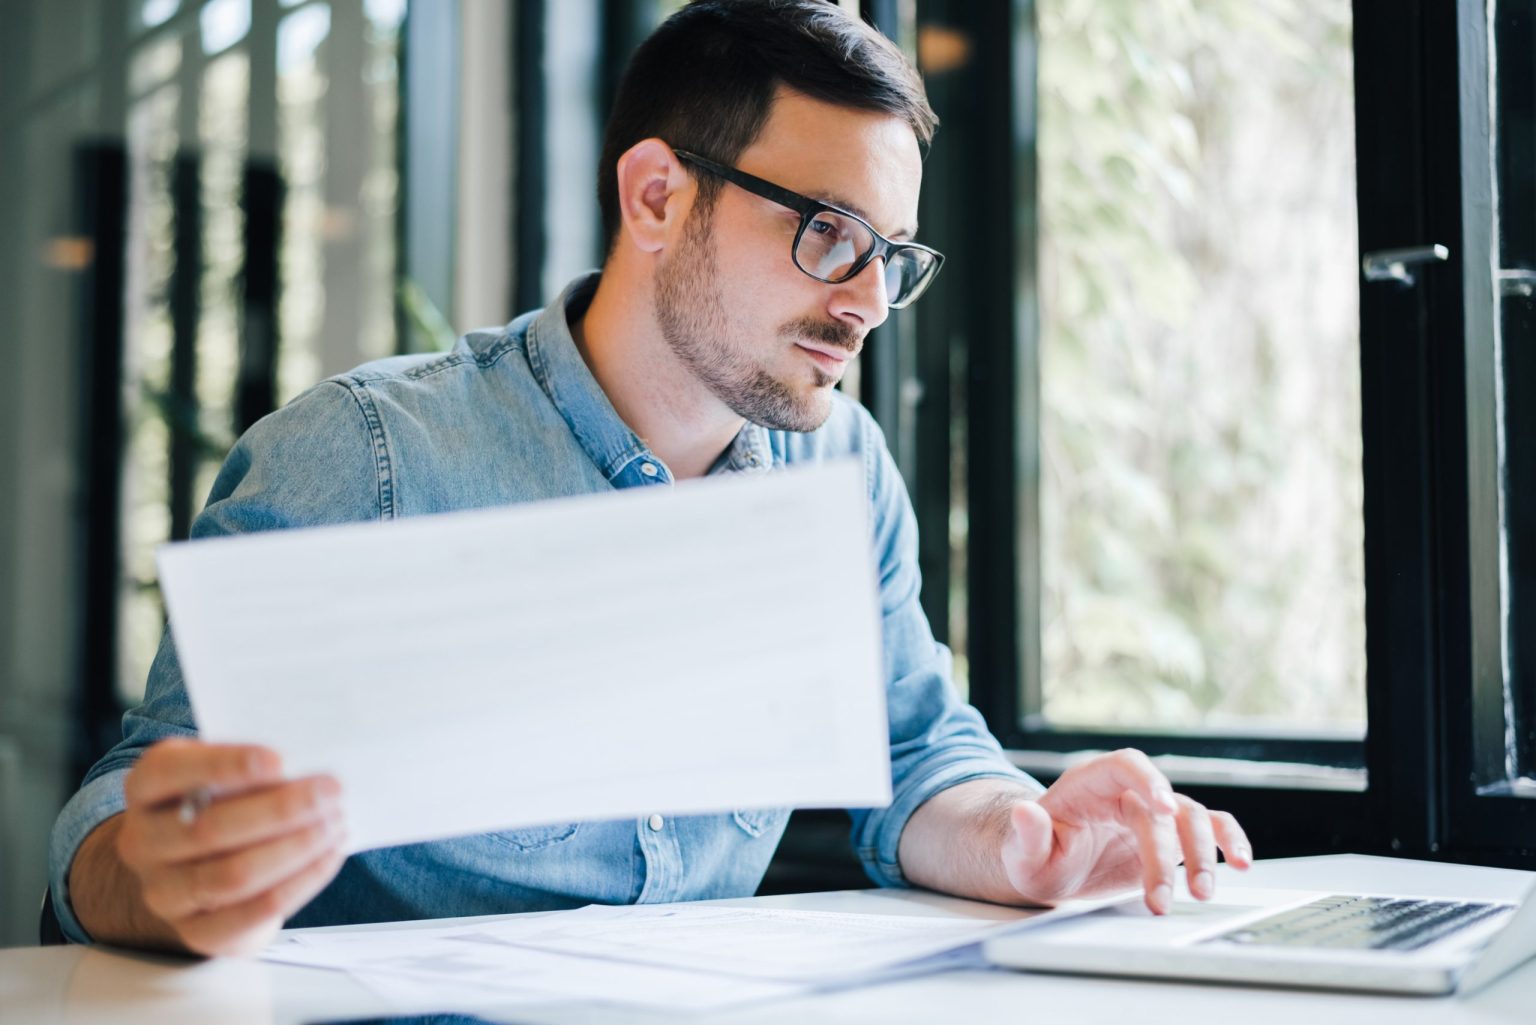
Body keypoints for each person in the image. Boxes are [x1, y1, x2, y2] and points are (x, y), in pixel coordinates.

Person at [49, 0, 1250, 958]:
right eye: (829, 231)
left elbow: (914, 753)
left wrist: (1024, 835)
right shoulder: (367, 456)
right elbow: (122, 816)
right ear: (659, 196)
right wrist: (157, 875)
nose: (869, 299)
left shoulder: (839, 465)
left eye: (892, 255)